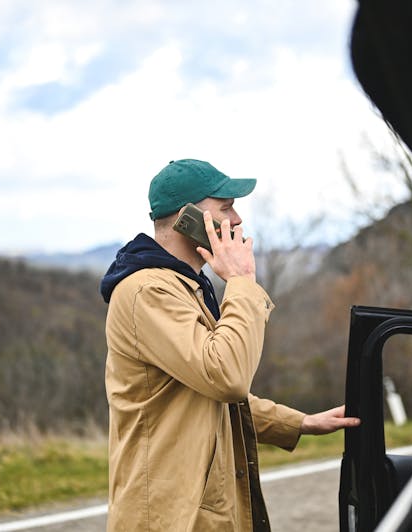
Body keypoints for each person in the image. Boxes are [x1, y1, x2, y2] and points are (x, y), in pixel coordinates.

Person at [99, 158, 360, 531]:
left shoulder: (184, 286)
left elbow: (207, 398)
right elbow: (226, 376)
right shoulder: (147, 291)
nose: (237, 219)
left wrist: (300, 422)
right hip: (169, 520)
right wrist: (240, 281)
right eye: (225, 207)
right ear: (187, 217)